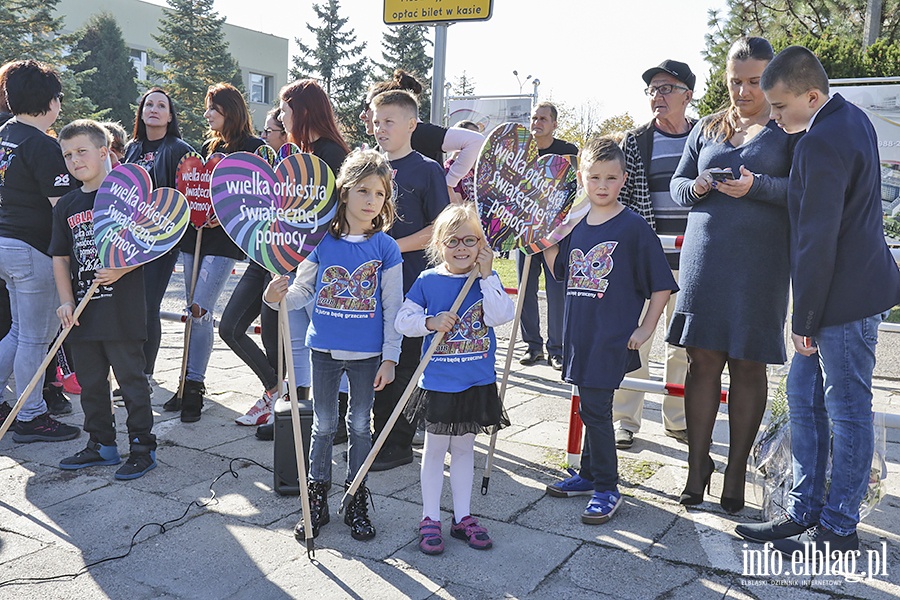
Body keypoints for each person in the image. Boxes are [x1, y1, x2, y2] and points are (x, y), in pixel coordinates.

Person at [735, 46, 900, 557]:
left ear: (811, 95)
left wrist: (803, 318)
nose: (776, 118)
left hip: (842, 301)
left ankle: (838, 525)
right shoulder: (849, 120)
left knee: (846, 411)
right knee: (806, 403)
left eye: (780, 108)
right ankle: (804, 510)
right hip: (845, 291)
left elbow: (816, 237)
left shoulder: (820, 142)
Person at [668, 37, 798, 514]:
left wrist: (757, 186)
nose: (743, 90)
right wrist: (699, 185)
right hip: (705, 259)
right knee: (702, 362)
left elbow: (803, 191)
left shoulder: (789, 129)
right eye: (735, 81)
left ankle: (737, 467)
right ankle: (696, 465)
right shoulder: (706, 126)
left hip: (761, 264)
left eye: (754, 81)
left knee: (748, 364)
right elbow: (678, 188)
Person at [265, 149, 402, 541]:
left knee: (360, 425)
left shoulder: (385, 248)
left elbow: (392, 305)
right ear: (344, 193)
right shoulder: (321, 241)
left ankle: (355, 497)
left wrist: (390, 357)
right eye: (363, 191)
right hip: (323, 350)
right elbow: (302, 290)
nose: (371, 200)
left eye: (379, 193)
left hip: (367, 356)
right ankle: (317, 496)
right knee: (323, 426)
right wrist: (278, 296)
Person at [543, 137, 677, 524]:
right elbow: (561, 271)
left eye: (611, 178)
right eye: (594, 177)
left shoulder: (634, 227)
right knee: (590, 409)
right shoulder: (576, 226)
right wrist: (542, 239)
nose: (602, 185)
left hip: (611, 336)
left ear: (624, 179)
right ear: (582, 178)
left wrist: (645, 328)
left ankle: (607, 487)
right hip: (580, 334)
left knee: (598, 412)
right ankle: (587, 475)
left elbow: (662, 285)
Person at [396, 203, 515, 555]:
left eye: (470, 240)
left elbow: (501, 316)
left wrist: (489, 275)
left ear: (482, 245)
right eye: (453, 241)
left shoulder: (484, 281)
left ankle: (463, 516)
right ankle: (429, 517)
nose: (462, 247)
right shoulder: (428, 281)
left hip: (476, 379)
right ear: (439, 244)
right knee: (434, 451)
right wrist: (430, 323)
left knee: (464, 449)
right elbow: (404, 320)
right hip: (440, 381)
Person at [237, 79, 350, 439]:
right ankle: (291, 416)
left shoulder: (332, 155)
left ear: (301, 111)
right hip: (282, 259)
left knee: (316, 347)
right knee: (289, 347)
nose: (281, 117)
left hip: (316, 267)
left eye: (285, 110)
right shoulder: (294, 152)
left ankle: (323, 422)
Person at [50, 120, 157, 479]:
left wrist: (122, 270)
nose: (75, 160)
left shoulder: (127, 197)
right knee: (91, 383)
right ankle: (102, 444)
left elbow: (152, 244)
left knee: (131, 381)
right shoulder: (66, 204)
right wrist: (66, 302)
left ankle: (142, 446)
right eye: (67, 154)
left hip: (121, 310)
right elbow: (61, 258)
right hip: (82, 311)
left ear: (103, 151)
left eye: (81, 151)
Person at [163, 83, 263, 422]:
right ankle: (183, 383)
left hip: (224, 242)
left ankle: (195, 387)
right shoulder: (209, 146)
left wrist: (226, 216)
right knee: (190, 311)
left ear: (230, 111)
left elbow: (256, 197)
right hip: (195, 235)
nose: (207, 115)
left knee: (200, 309)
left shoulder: (254, 148)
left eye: (213, 110)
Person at [613, 60, 697, 449]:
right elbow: (624, 199)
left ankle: (676, 419)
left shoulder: (704, 137)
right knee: (635, 341)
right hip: (646, 262)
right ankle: (625, 420)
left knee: (681, 344)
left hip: (693, 260)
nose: (657, 96)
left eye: (666, 89)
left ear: (687, 95)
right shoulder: (635, 141)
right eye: (652, 90)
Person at [368, 89, 452, 471]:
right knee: (378, 357)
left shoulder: (427, 169)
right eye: (375, 119)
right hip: (370, 283)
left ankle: (396, 442)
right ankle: (376, 432)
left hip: (412, 282)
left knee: (403, 362)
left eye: (388, 120)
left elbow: (440, 228)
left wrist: (390, 247)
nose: (379, 127)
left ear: (411, 124)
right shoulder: (368, 167)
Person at [0, 60, 80, 442]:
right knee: (35, 337)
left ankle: (12, 402)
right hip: (31, 248)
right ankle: (30, 415)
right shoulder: (43, 145)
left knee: (18, 331)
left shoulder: (5, 135)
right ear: (50, 102)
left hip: (6, 243)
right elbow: (61, 208)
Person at [123, 88, 195, 386]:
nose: (154, 109)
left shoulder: (179, 149)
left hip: (161, 241)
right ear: (141, 112)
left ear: (169, 115)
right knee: (130, 306)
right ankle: (131, 371)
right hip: (129, 240)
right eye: (148, 104)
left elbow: (191, 196)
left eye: (161, 105)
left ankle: (146, 374)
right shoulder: (132, 148)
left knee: (148, 305)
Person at [359, 70, 483, 200]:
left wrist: (448, 183)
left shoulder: (419, 132)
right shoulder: (377, 152)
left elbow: (475, 141)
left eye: (367, 106)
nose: (362, 115)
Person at [517, 101, 578, 370]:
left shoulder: (568, 151)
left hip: (557, 235)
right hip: (524, 233)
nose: (536, 123)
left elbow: (575, 190)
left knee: (557, 291)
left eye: (543, 118)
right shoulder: (519, 152)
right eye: (533, 118)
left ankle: (558, 349)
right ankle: (533, 347)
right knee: (525, 292)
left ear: (554, 123)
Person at [444, 120, 481, 203]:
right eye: (473, 138)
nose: (478, 143)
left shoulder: (481, 169)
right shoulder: (449, 169)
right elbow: (456, 203)